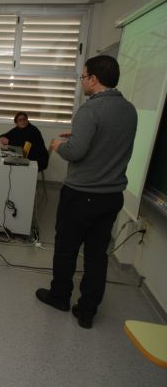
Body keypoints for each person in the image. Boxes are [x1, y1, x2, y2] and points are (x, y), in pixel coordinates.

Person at [36, 55, 137, 329]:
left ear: (94, 79)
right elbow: (109, 142)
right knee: (96, 254)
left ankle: (59, 297)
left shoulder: (89, 109)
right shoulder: (129, 110)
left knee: (66, 249)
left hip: (82, 194)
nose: (81, 82)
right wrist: (78, 137)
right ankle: (87, 311)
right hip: (112, 196)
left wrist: (59, 145)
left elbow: (76, 153)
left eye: (83, 77)